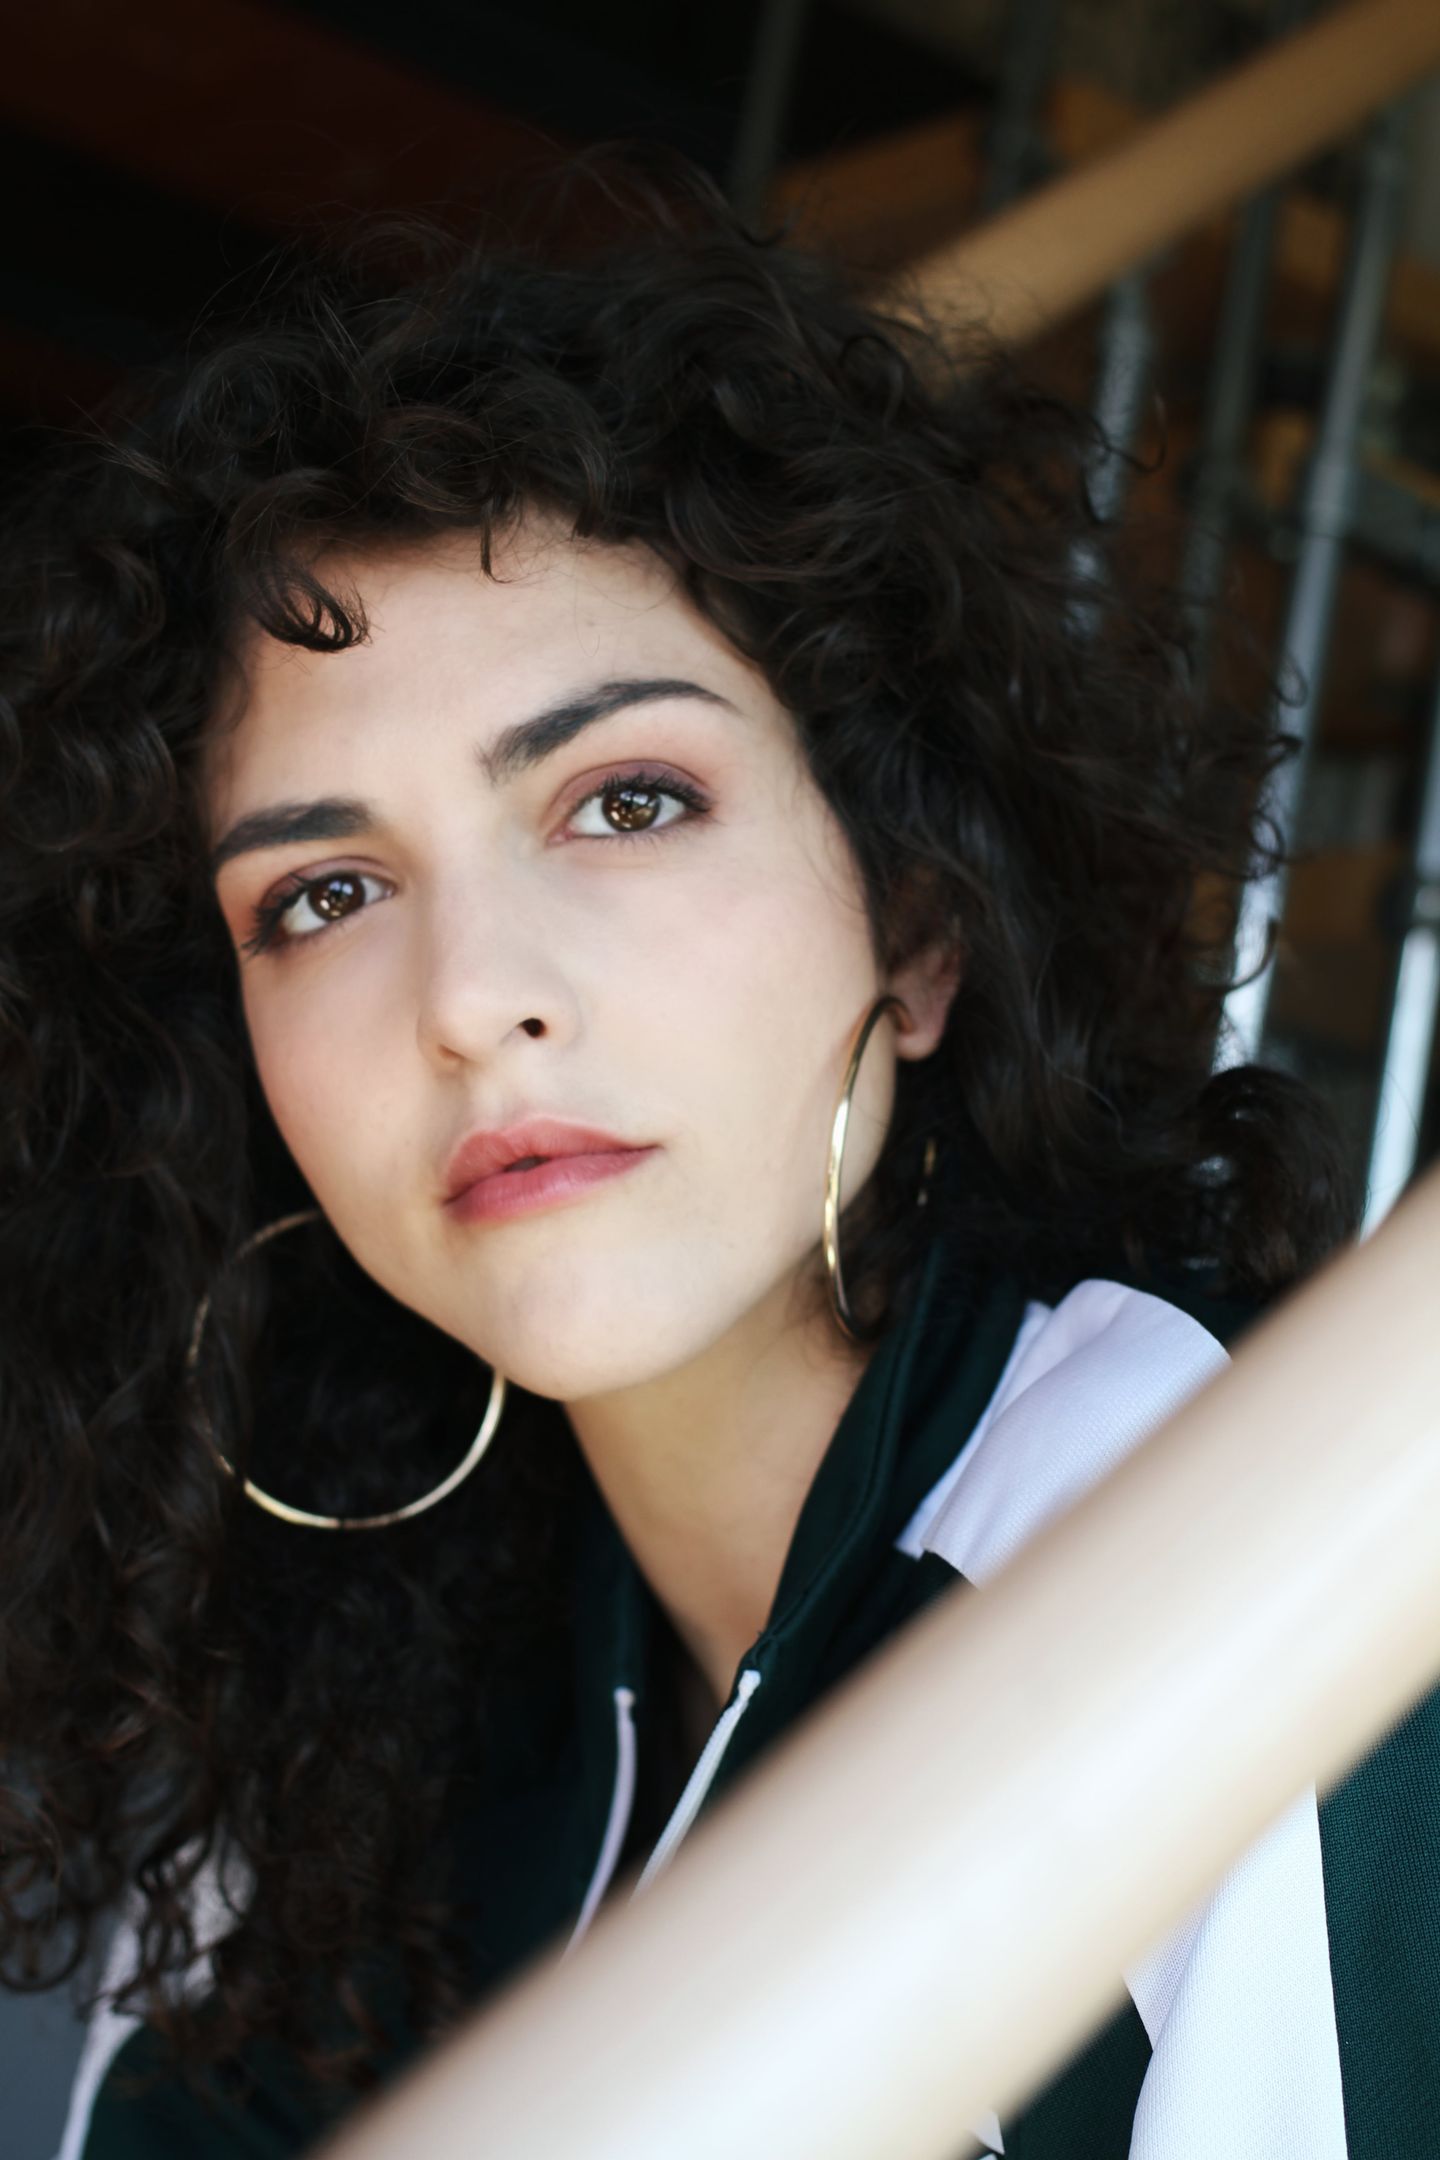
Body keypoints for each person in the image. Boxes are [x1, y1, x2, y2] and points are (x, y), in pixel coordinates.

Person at [1, 142, 1388, 2160]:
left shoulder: (1237, 1546)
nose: (473, 997)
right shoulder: (337, 1693)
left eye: (625, 800)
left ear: (917, 924)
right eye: (322, 894)